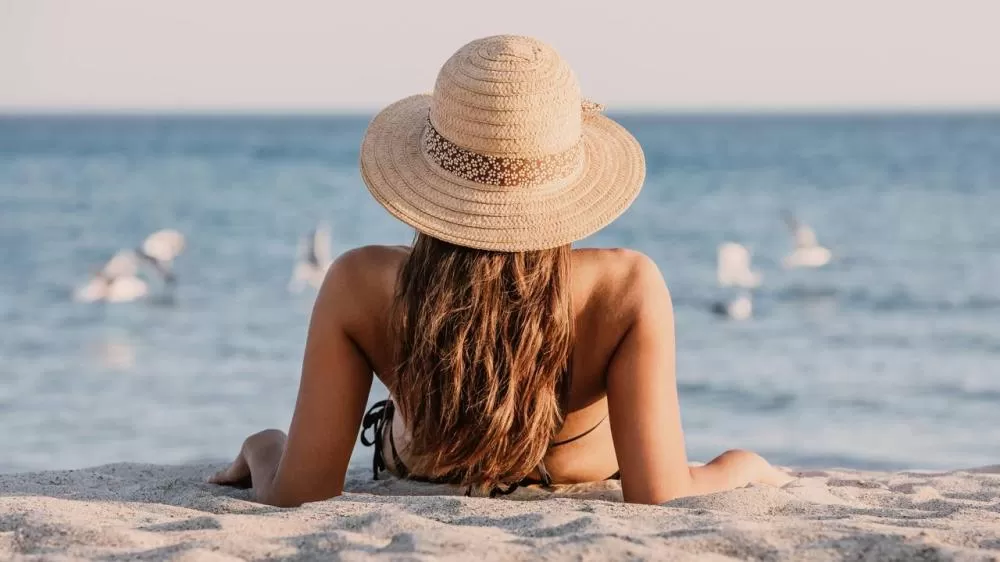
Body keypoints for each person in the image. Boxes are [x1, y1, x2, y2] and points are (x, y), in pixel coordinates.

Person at [209, 35, 792, 506]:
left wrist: (263, 446)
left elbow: (302, 491)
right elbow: (660, 493)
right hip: (580, 470)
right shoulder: (625, 288)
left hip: (421, 468)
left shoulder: (359, 284)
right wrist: (741, 467)